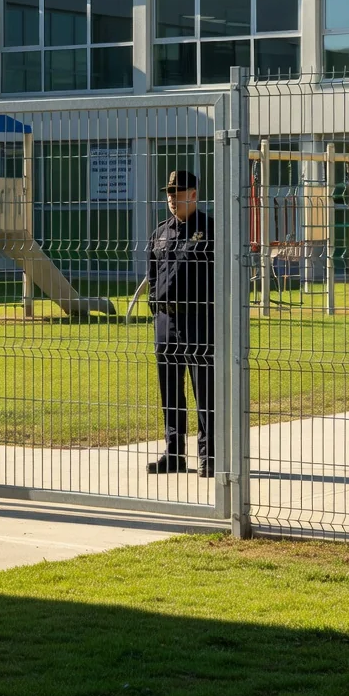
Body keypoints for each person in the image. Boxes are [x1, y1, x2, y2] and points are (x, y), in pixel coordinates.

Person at [147, 169, 215, 477]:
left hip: (198, 320)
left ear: (194, 194)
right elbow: (152, 272)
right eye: (170, 192)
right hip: (166, 320)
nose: (173, 197)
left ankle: (210, 455)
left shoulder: (209, 229)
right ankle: (173, 453)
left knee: (205, 391)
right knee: (170, 390)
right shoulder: (162, 231)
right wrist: (154, 302)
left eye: (179, 191)